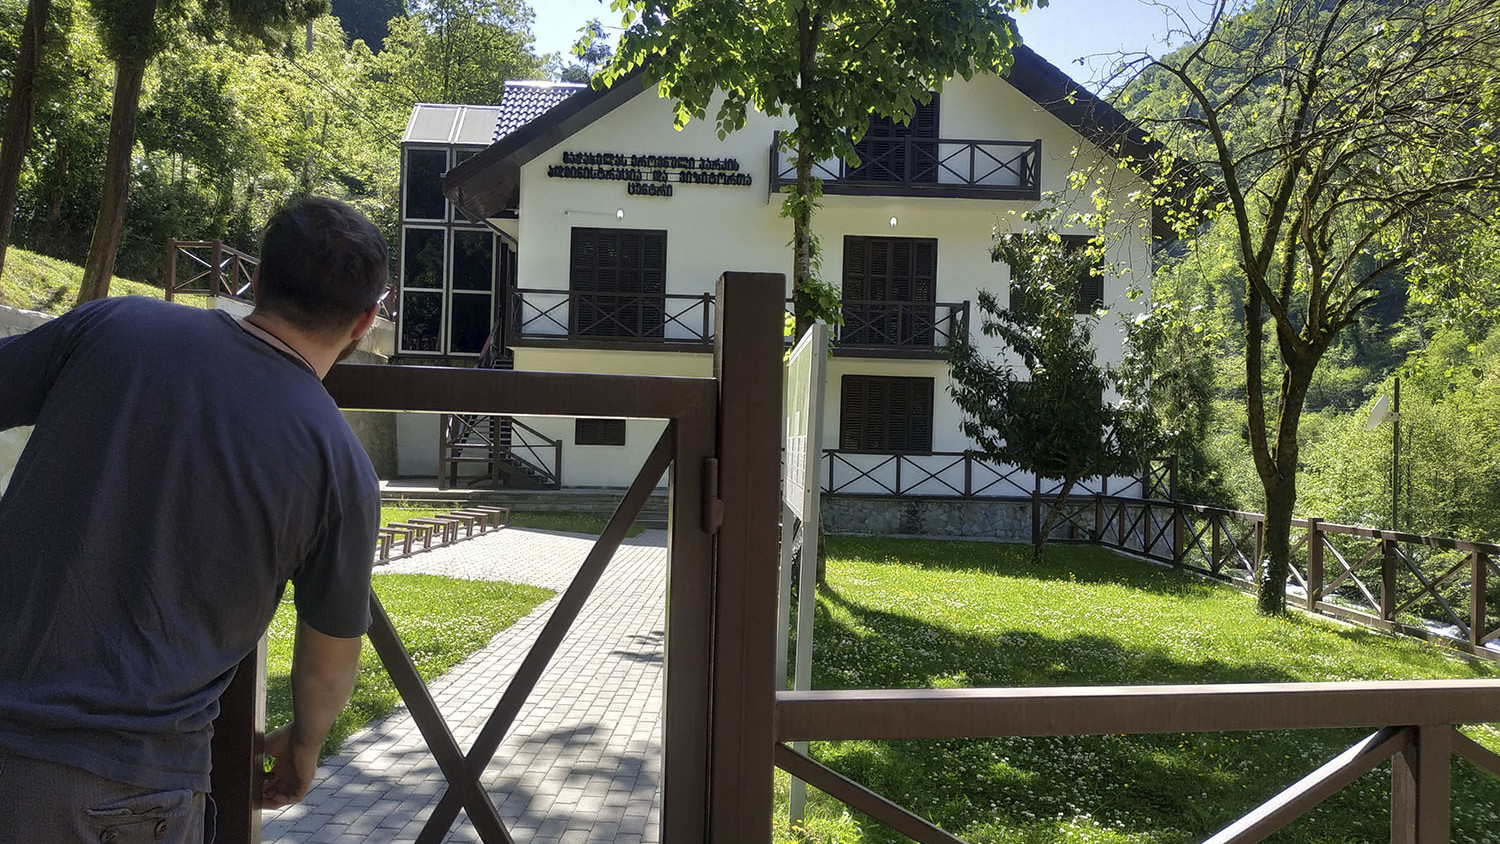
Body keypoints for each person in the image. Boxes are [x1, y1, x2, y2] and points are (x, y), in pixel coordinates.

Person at [0, 196, 387, 843]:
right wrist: (306, 743)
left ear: (257, 282)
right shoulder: (341, 465)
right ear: (364, 321)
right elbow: (326, 667)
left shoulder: (114, 326)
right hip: (122, 787)